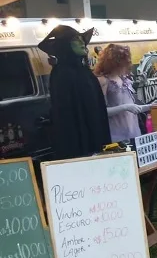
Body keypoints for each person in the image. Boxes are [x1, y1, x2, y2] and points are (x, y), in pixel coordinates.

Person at [37, 25, 111, 160]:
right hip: (79, 145)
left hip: (95, 137)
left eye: (81, 38)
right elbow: (65, 117)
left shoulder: (84, 72)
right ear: (65, 46)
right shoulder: (61, 74)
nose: (82, 42)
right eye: (76, 39)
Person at [93, 44, 150, 143]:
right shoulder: (103, 81)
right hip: (116, 135)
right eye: (123, 60)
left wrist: (151, 106)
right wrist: (125, 107)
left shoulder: (124, 79)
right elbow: (100, 112)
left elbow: (134, 107)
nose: (127, 63)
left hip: (134, 132)